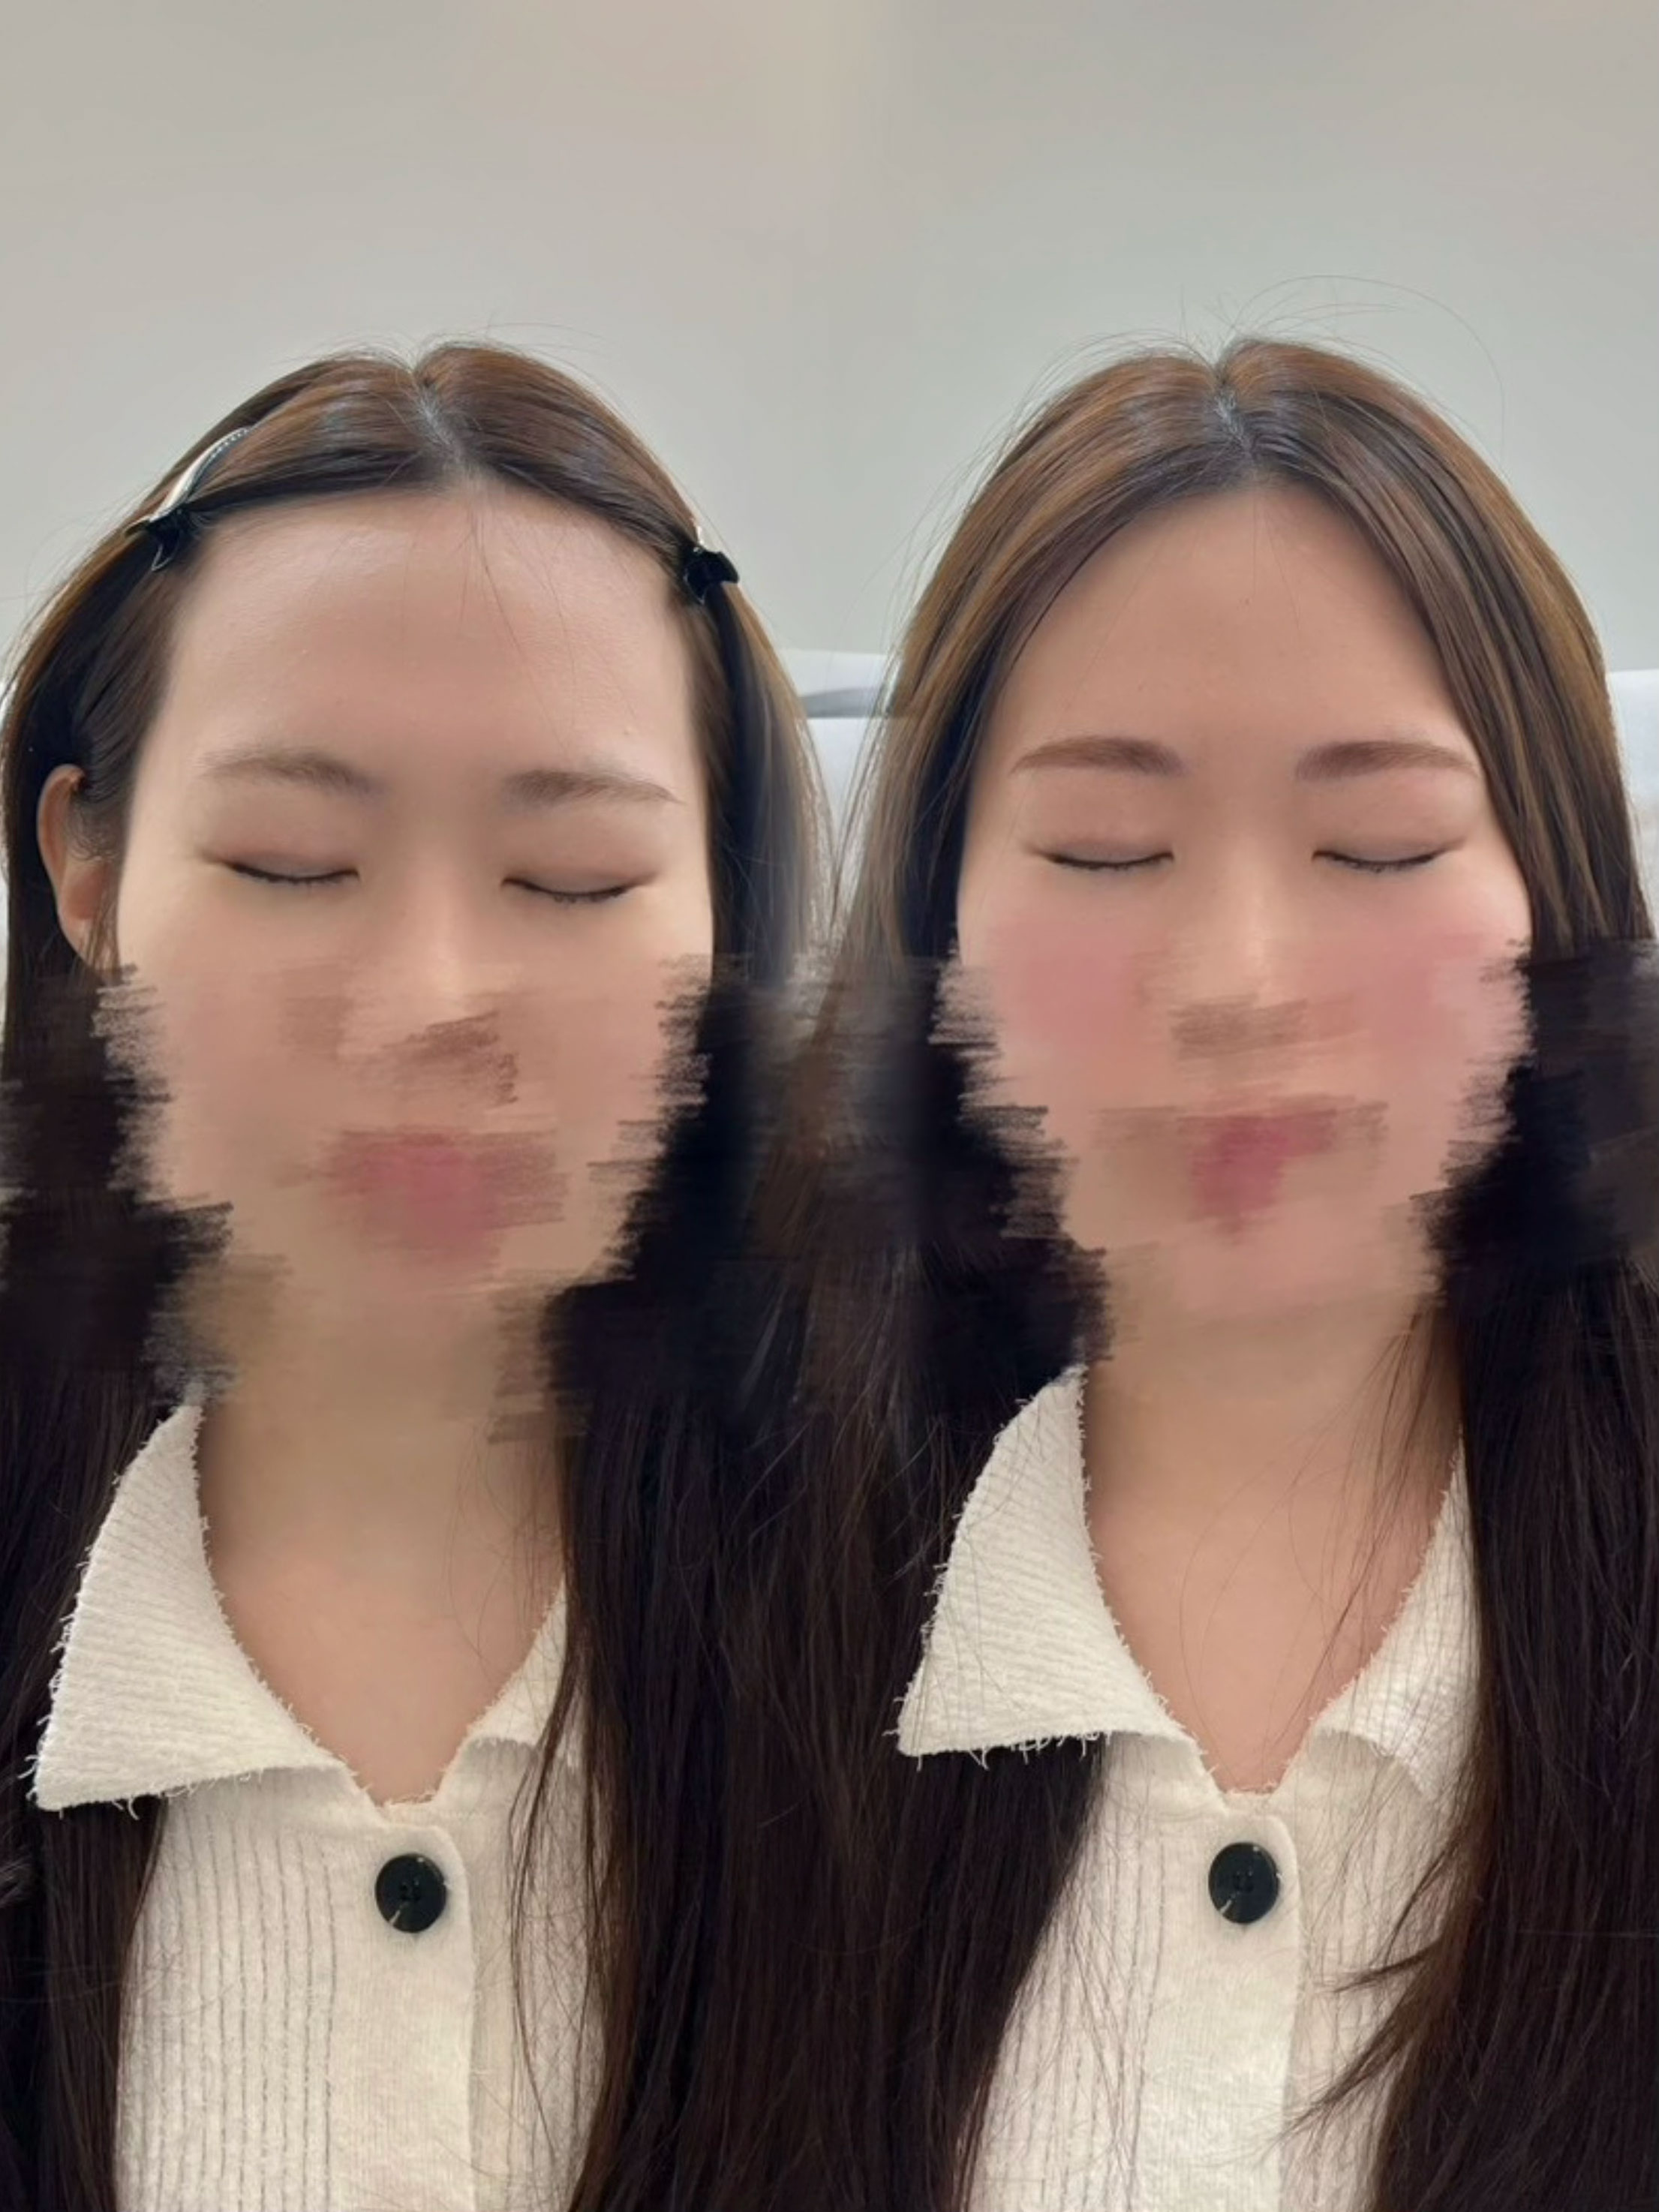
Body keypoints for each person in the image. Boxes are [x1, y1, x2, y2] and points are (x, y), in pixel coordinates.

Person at [646, 341, 1659, 2212]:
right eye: (1105, 851)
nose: (1238, 980)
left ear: (1558, 909)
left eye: (1375, 845)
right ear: (939, 928)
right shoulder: (719, 1567)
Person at [0, 343, 819, 2210]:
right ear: (86, 874)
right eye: (293, 864)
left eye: (573, 879)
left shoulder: (912, 1613)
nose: (434, 999)